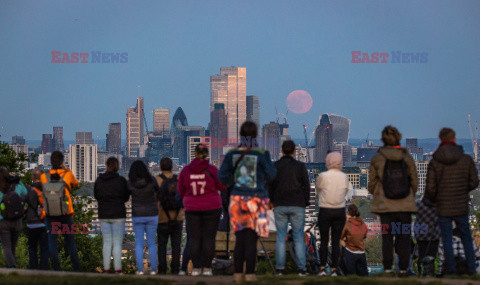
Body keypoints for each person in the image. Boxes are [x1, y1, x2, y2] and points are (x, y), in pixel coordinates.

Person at [219, 121, 277, 283]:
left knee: (240, 238)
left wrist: (234, 182)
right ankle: (250, 273)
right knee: (252, 238)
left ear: (241, 134)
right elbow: (272, 174)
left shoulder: (232, 154)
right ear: (256, 134)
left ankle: (238, 274)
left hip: (238, 199)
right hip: (257, 200)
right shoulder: (261, 153)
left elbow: (222, 177)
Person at [425, 127, 479, 275]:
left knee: (447, 239)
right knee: (466, 237)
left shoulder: (435, 162)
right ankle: (472, 270)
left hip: (443, 206)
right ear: (454, 140)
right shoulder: (466, 159)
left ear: (441, 140)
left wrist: (437, 197)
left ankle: (450, 271)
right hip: (461, 204)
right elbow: (474, 181)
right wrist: (462, 189)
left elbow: (430, 188)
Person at [368, 126, 418, 278]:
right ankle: (403, 270)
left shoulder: (378, 157)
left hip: (385, 205)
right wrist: (409, 195)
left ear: (383, 139)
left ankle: (388, 269)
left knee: (387, 238)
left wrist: (378, 193)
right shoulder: (407, 157)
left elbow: (371, 184)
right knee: (404, 237)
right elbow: (414, 181)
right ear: (398, 138)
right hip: (404, 205)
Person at [178, 144, 226, 277]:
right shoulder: (212, 169)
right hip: (212, 207)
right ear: (207, 154)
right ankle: (207, 268)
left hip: (192, 207)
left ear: (194, 154)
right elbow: (222, 186)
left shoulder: (186, 170)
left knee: (194, 238)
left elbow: (181, 190)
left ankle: (196, 268)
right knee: (209, 238)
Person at [269, 140, 310, 276]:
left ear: (282, 151)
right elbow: (306, 185)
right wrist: (306, 202)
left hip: (280, 204)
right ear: (294, 151)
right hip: (297, 204)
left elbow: (270, 185)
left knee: (281, 236)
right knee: (298, 237)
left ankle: (280, 269)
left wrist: (271, 200)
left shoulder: (275, 166)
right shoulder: (300, 166)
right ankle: (301, 269)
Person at [40, 150, 81, 271]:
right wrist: (66, 169)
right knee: (70, 242)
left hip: (50, 214)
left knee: (52, 242)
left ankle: (56, 269)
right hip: (66, 214)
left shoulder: (44, 177)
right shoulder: (67, 174)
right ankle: (77, 269)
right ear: (62, 161)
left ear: (50, 162)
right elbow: (75, 184)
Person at [315, 151, 353, 276]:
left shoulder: (323, 176)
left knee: (324, 240)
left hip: (325, 210)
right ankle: (334, 269)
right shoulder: (344, 177)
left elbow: (318, 191)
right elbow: (346, 192)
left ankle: (322, 268)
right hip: (339, 210)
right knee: (336, 241)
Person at [94, 157, 130, 274]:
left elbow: (96, 196)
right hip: (118, 213)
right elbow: (126, 197)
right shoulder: (121, 181)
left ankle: (106, 269)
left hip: (104, 213)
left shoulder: (99, 180)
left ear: (106, 166)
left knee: (107, 242)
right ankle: (118, 269)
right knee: (117, 243)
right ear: (117, 167)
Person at [128, 160, 160, 275]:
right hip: (152, 214)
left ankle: (140, 270)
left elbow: (126, 195)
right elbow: (158, 192)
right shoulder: (151, 180)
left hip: (138, 215)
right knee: (152, 243)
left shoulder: (131, 183)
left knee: (139, 244)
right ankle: (153, 270)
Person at [155, 157, 184, 275]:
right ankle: (175, 269)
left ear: (160, 167)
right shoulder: (178, 179)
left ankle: (162, 269)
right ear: (172, 167)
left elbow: (154, 198)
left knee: (162, 245)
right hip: (178, 217)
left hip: (162, 216)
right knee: (176, 244)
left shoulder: (157, 180)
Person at [0, 167, 28, 269]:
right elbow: (25, 193)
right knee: (13, 245)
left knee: (6, 246)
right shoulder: (17, 185)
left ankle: (11, 267)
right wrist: (17, 180)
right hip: (17, 219)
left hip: (3, 220)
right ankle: (10, 267)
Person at [26, 169, 49, 270]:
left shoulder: (29, 190)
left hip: (31, 222)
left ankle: (33, 267)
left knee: (32, 247)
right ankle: (44, 268)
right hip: (44, 222)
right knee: (44, 247)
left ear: (33, 178)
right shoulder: (47, 189)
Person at [415, 196, 440, 276]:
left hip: (421, 236)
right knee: (432, 256)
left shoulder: (419, 205)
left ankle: (421, 272)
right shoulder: (437, 206)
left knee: (421, 256)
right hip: (434, 236)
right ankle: (430, 272)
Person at [340, 204, 368, 276]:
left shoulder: (348, 224)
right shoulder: (363, 223)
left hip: (350, 252)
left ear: (349, 213)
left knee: (350, 275)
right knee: (363, 276)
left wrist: (345, 243)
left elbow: (340, 237)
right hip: (361, 252)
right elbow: (364, 236)